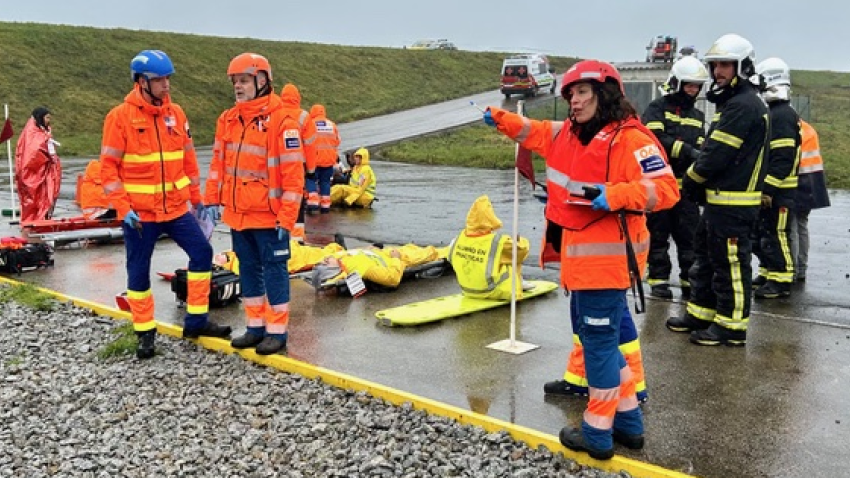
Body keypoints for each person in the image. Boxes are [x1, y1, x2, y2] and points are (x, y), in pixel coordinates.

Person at [483, 59, 679, 459]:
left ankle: (597, 431)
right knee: (606, 343)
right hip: (585, 264)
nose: (574, 101)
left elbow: (666, 190)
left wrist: (618, 195)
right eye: (570, 94)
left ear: (605, 93)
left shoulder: (631, 140)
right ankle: (628, 424)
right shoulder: (572, 134)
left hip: (606, 264)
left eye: (583, 92)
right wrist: (500, 119)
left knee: (600, 347)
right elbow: (533, 131)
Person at [100, 49, 231, 359]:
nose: (166, 85)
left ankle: (196, 321)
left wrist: (199, 201)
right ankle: (145, 332)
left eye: (168, 79)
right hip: (140, 215)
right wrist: (123, 207)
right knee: (139, 271)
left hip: (175, 209)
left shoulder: (177, 114)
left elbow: (187, 160)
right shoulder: (119, 118)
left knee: (202, 252)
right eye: (159, 80)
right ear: (141, 82)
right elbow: (109, 168)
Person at [666, 34, 769, 346]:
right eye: (715, 66)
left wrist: (691, 181)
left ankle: (731, 327)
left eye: (725, 65)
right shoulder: (733, 103)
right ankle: (701, 312)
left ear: (743, 67)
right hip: (719, 204)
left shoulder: (743, 105)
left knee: (731, 267)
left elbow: (715, 157)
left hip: (734, 206)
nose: (718, 72)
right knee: (707, 261)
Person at [204, 53, 306, 355]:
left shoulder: (282, 121)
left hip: (270, 217)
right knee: (248, 269)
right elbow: (217, 164)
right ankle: (255, 327)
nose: (238, 86)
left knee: (274, 271)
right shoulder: (228, 119)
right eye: (235, 81)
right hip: (238, 215)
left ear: (262, 81)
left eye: (244, 80)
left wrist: (287, 218)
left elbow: (293, 175)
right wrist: (211, 199)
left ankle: (277, 332)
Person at [641, 56, 708, 300]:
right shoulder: (657, 108)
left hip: (686, 190)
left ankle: (689, 282)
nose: (693, 90)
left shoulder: (698, 115)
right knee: (657, 237)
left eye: (697, 86)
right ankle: (658, 282)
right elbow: (655, 141)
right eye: (689, 85)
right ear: (677, 83)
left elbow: (701, 141)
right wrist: (688, 151)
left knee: (689, 238)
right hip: (659, 187)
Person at [752, 57, 801, 299]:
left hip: (780, 191)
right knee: (765, 232)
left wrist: (768, 189)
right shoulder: (777, 113)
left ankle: (781, 280)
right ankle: (768, 272)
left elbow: (783, 157)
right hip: (774, 189)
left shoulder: (782, 115)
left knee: (777, 233)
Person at [447, 195, 529, 301]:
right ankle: (519, 283)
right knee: (511, 255)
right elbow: (523, 251)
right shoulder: (497, 242)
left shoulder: (458, 239)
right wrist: (519, 241)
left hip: (468, 291)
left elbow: (449, 256)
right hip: (492, 291)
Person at [789, 119, 830, 282]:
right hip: (812, 180)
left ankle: (792, 268)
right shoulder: (808, 128)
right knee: (802, 225)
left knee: (791, 227)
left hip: (797, 180)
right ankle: (801, 268)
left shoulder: (789, 127)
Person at [310, 243, 444, 291]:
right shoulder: (361, 270)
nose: (326, 259)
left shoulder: (340, 258)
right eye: (326, 263)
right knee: (431, 253)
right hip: (398, 258)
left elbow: (355, 253)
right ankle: (452, 250)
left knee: (412, 246)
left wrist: (367, 249)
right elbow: (393, 279)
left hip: (383, 252)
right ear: (333, 271)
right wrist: (396, 258)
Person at [280, 83, 318, 243]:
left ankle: (279, 235)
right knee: (296, 200)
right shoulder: (304, 116)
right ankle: (297, 239)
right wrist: (310, 169)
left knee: (279, 199)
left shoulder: (275, 113)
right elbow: (309, 145)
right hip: (297, 165)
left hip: (275, 165)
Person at [14, 106, 62, 222]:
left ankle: (43, 217)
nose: (48, 120)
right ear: (40, 117)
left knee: (47, 195)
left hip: (45, 171)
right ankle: (32, 220)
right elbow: (32, 151)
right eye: (47, 117)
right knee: (33, 197)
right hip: (33, 172)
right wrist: (46, 142)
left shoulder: (43, 130)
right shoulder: (31, 131)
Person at [306, 104, 341, 214]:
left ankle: (313, 203)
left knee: (310, 179)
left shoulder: (310, 124)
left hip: (314, 160)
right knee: (325, 182)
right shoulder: (332, 125)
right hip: (329, 160)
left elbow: (306, 141)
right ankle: (325, 206)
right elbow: (338, 141)